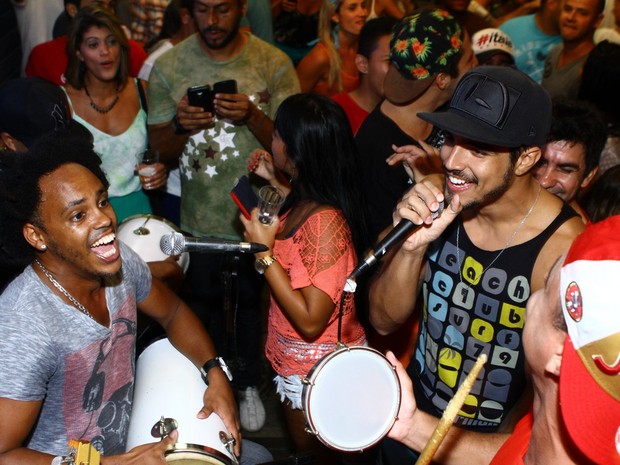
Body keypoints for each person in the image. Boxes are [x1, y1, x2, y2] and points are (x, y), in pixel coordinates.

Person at [368, 66, 584, 464]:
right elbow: (382, 321)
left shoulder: (563, 251)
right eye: (449, 139)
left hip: (485, 448)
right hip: (405, 413)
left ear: (526, 159)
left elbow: (547, 405)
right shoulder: (442, 199)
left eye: (479, 149)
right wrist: (413, 248)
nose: (452, 160)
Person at [0, 130, 246, 463]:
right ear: (37, 236)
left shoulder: (118, 262)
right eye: (78, 215)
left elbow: (172, 312)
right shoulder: (23, 325)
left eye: (101, 201)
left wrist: (214, 373)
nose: (105, 219)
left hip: (128, 444)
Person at [147, 0, 300, 433]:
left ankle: (249, 383)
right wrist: (179, 126)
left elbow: (296, 148)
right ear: (189, 12)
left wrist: (252, 115)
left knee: (254, 310)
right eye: (202, 10)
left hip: (263, 221)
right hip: (195, 221)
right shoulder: (170, 65)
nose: (212, 21)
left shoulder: (273, 62)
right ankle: (208, 385)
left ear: (241, 8)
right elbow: (157, 152)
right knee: (200, 311)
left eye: (222, 9)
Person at [386, 215, 620, 465]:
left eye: (546, 287)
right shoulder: (555, 430)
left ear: (559, 355)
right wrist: (411, 427)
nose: (537, 286)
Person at [242, 93, 370, 465]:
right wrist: (274, 179)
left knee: (312, 460)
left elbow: (312, 320)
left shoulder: (327, 224)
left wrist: (263, 255)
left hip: (317, 376)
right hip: (297, 365)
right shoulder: (306, 197)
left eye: (279, 134)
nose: (272, 139)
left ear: (297, 152)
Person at [356, 8, 477, 240]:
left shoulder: (450, 114)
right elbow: (380, 247)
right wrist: (439, 182)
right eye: (470, 59)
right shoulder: (380, 152)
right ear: (442, 79)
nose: (476, 64)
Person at [62, 6, 167, 224]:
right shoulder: (63, 102)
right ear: (79, 53)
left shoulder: (143, 91)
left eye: (111, 41)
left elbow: (162, 150)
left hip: (141, 211)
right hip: (89, 217)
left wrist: (160, 170)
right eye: (93, 44)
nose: (105, 51)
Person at [25, 0, 147, 86]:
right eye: (98, 5)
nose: (107, 13)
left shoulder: (132, 51)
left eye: (111, 5)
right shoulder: (43, 56)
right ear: (73, 10)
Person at [532, 98, 607, 221]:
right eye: (539, 162)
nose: (545, 181)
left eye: (565, 170)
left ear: (588, 176)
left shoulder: (581, 238)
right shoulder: (497, 207)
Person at [332, 16, 396, 134]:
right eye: (390, 62)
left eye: (402, 62)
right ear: (363, 64)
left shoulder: (407, 112)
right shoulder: (335, 114)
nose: (399, 71)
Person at [296, 0, 369, 96]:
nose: (362, 13)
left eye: (363, 6)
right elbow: (293, 103)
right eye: (352, 8)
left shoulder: (364, 47)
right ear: (335, 16)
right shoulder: (321, 57)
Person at [541, 0, 605, 99]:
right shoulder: (555, 52)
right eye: (567, 9)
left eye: (582, 13)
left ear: (597, 20)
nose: (571, 17)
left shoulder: (595, 68)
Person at [499, 0, 562, 83]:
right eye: (568, 8)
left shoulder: (578, 41)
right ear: (552, 3)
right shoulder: (510, 29)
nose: (572, 16)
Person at [272, 0, 323, 65]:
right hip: (278, 50)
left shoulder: (333, 4)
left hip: (311, 54)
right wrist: (279, 5)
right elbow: (264, 20)